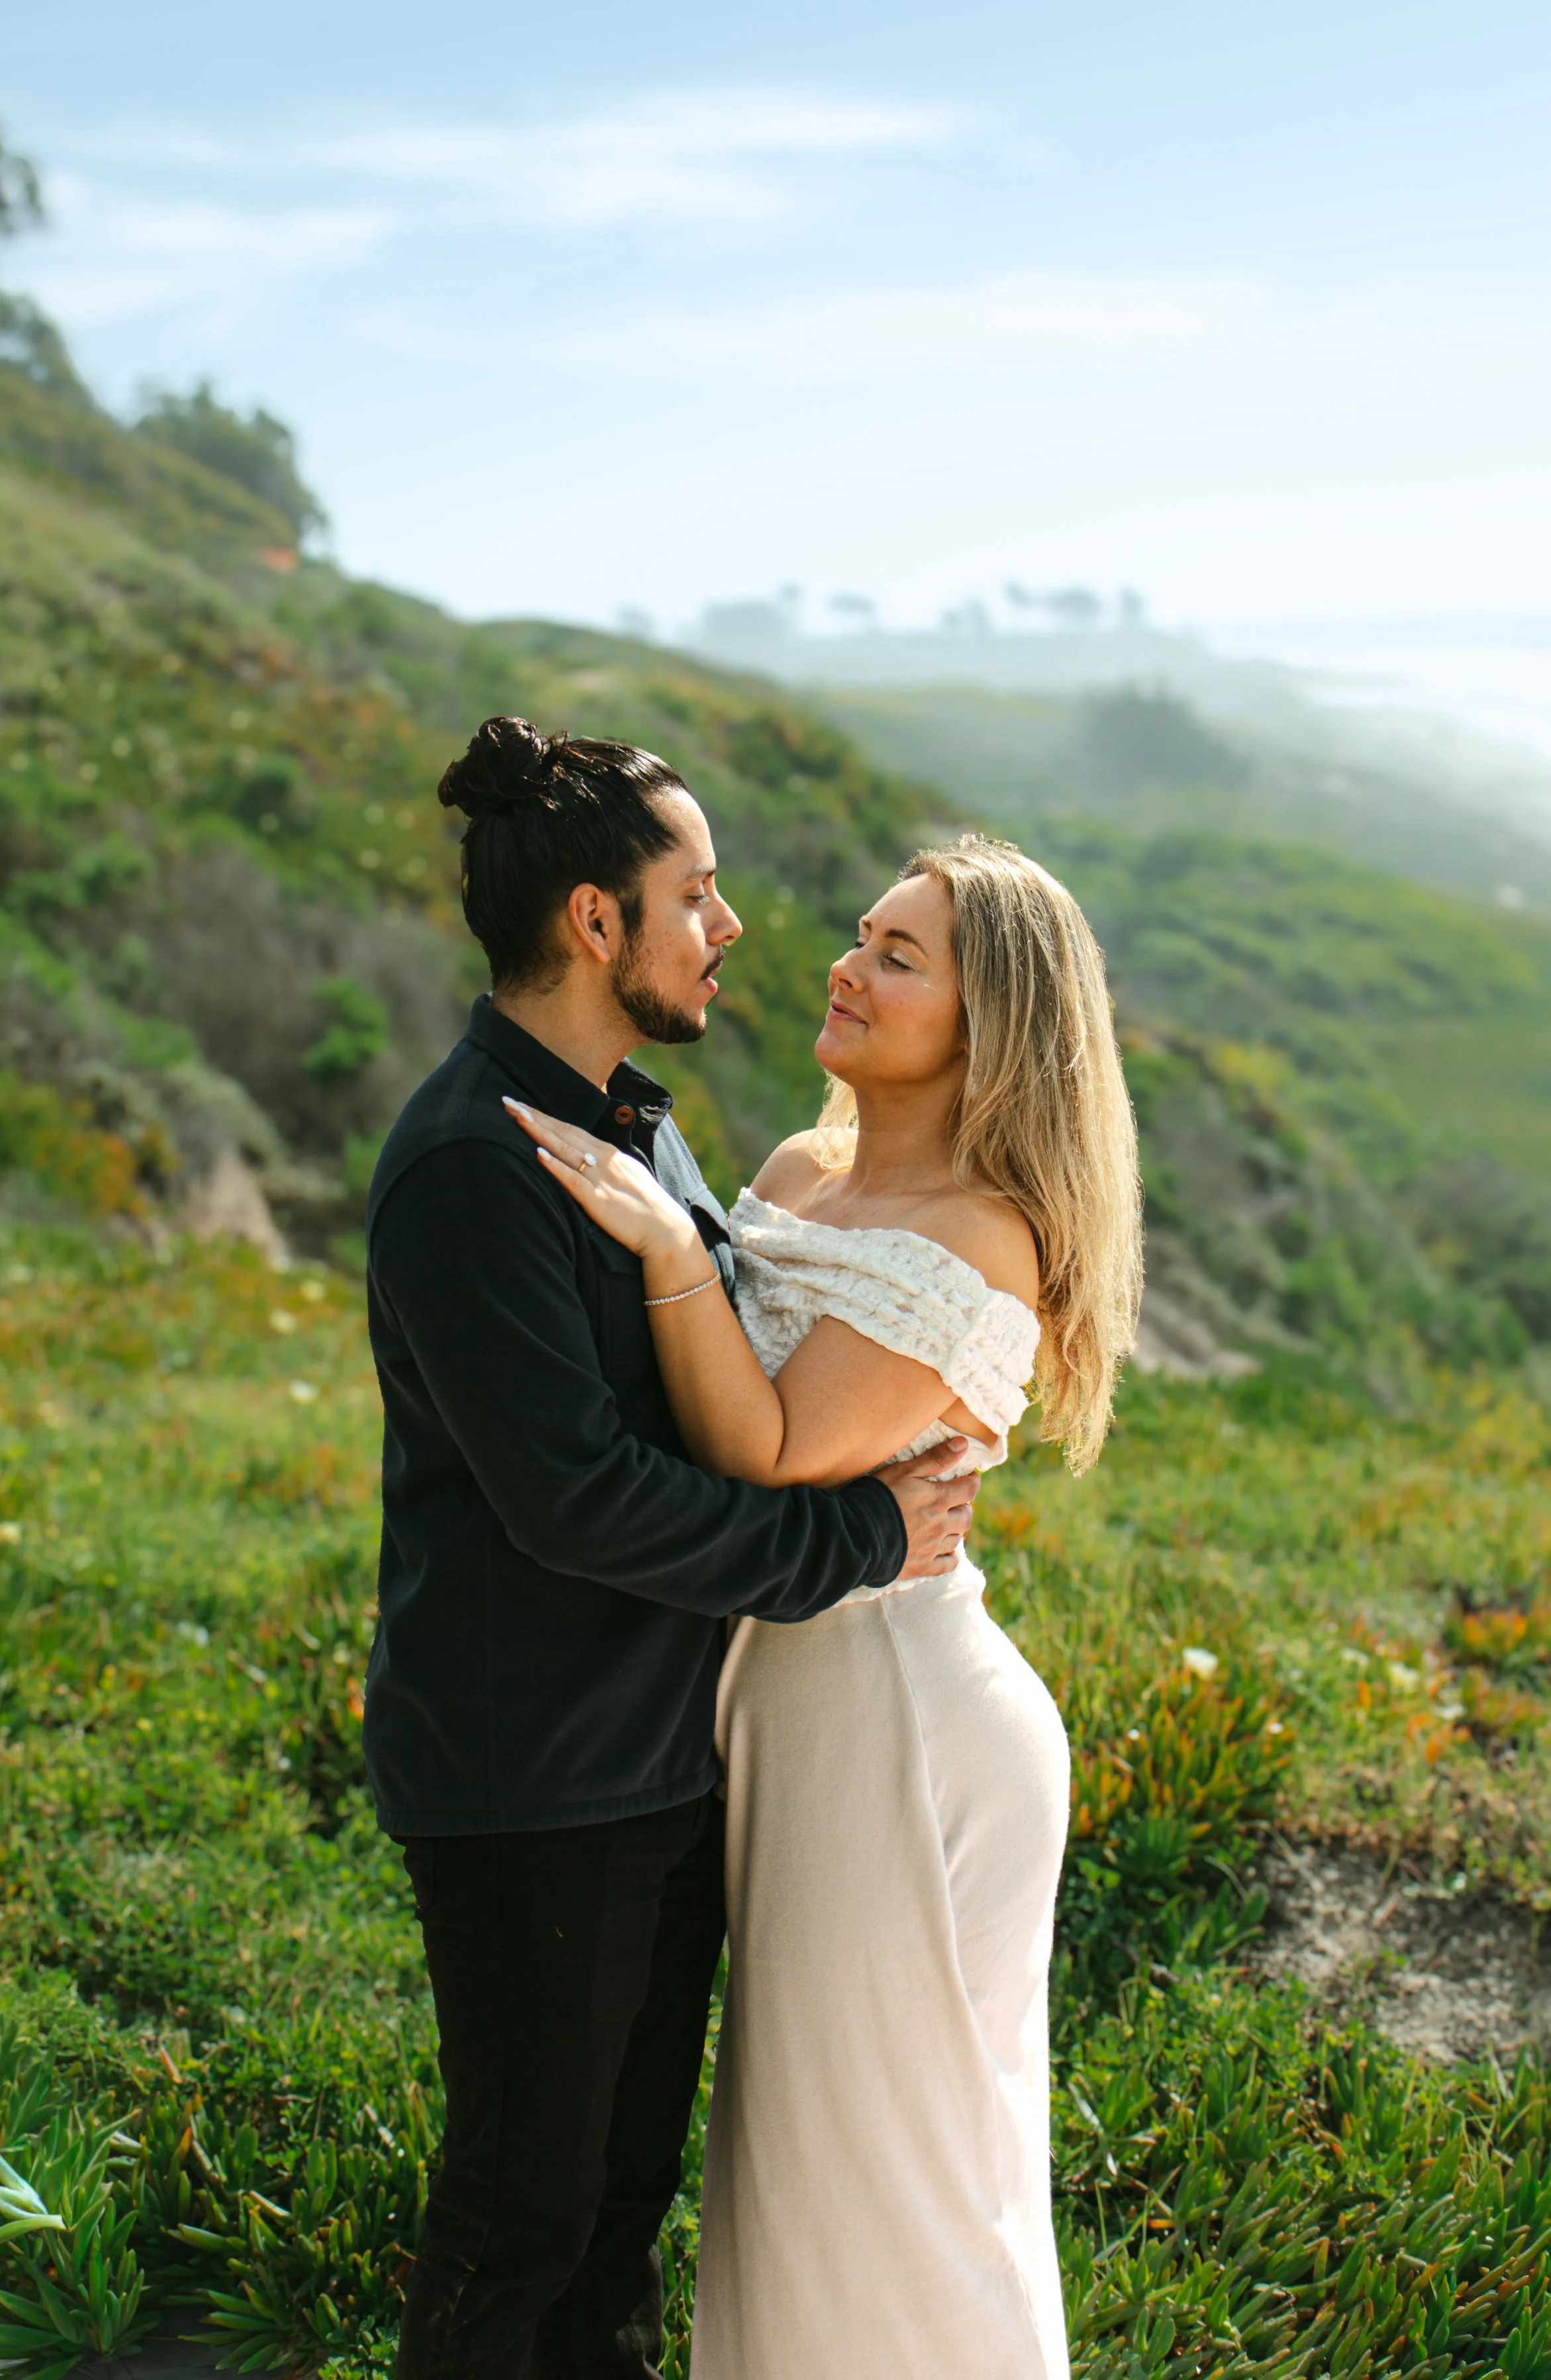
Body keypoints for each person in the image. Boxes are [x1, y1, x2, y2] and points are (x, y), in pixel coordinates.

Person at [362, 716, 979, 2380]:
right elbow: (581, 1502)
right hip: (534, 1775)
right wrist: (858, 1532)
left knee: (617, 2214)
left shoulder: (624, 1119)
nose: (729, 926)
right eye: (694, 895)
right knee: (523, 2221)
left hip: (652, 1761)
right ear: (592, 922)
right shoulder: (468, 1169)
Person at [507, 830, 1143, 2379]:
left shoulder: (982, 1234)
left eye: (899, 955)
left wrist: (666, 1244)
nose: (846, 968)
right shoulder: (800, 1173)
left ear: (992, 1024)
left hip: (905, 1727)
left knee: (899, 2176)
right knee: (790, 2168)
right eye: (863, 935)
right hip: (791, 1713)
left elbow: (769, 1446)